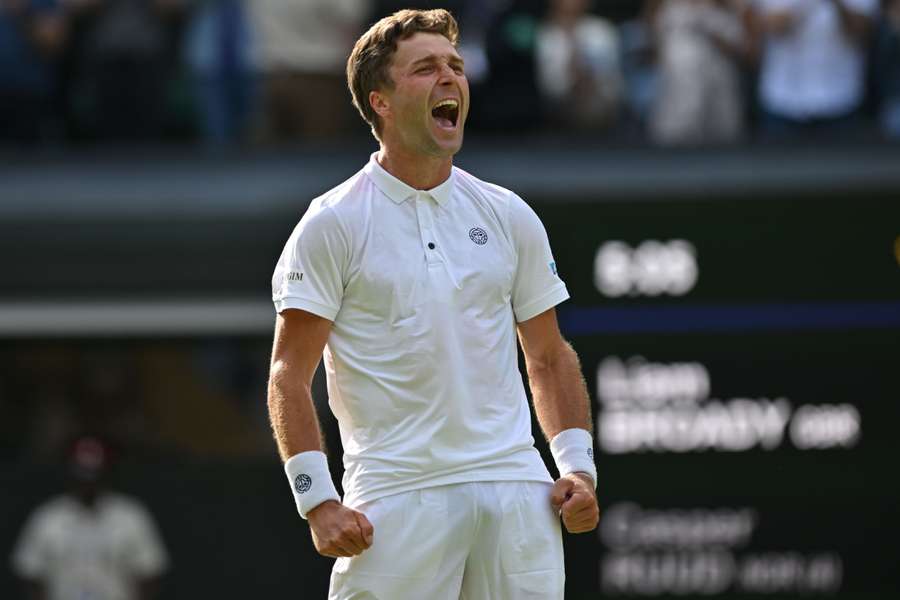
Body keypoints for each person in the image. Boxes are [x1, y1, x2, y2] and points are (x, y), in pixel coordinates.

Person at [267, 8, 599, 600]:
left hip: (515, 490)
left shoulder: (508, 214)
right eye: (425, 69)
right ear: (381, 102)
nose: (450, 79)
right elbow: (289, 373)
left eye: (456, 67)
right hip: (396, 500)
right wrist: (317, 501)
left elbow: (547, 358)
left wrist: (576, 468)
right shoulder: (332, 224)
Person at [10, 435, 169, 600]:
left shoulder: (131, 515)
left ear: (107, 473)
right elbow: (30, 573)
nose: (88, 484)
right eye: (82, 476)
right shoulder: (47, 517)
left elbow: (150, 572)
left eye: (94, 476)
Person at [747, 0, 879, 135]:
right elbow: (760, 29)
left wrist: (837, 4)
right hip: (782, 101)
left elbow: (864, 30)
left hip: (841, 100)